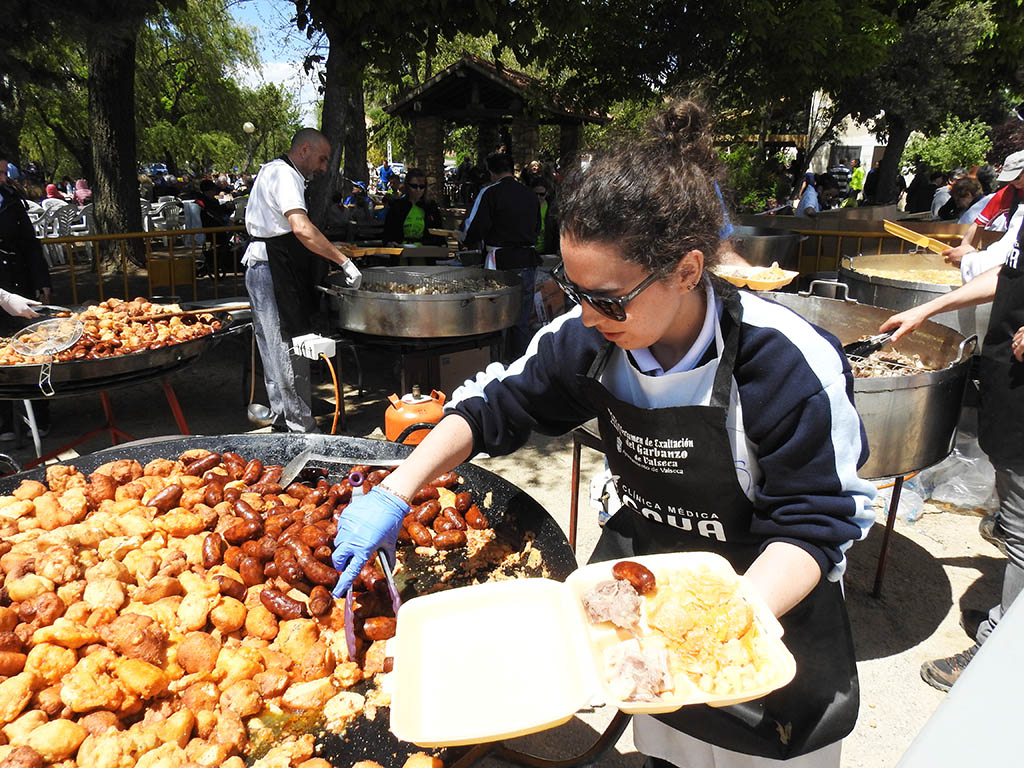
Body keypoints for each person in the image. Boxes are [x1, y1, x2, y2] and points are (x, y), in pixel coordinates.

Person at [331, 99, 875, 767]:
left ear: (687, 271)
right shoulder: (585, 339)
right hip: (647, 602)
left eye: (609, 299)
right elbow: (492, 409)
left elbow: (814, 526)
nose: (587, 317)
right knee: (669, 749)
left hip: (768, 623)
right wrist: (397, 487)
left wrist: (707, 633)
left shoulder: (788, 362)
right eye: (573, 289)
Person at [879, 205, 1024, 692]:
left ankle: (997, 653)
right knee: (1013, 495)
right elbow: (1009, 271)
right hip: (1013, 374)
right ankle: (1010, 622)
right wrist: (927, 309)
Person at [242, 128, 361, 433]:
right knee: (287, 346)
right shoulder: (284, 175)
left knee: (272, 348)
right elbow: (301, 228)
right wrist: (343, 261)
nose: (323, 167)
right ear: (304, 149)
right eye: (322, 159)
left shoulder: (272, 170)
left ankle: (283, 420)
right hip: (273, 270)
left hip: (264, 267)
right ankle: (301, 429)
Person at [461, 152, 541, 357]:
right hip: (527, 260)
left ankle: (497, 363)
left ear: (491, 172)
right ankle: (520, 365)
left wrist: (465, 241)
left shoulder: (490, 192)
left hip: (502, 262)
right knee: (521, 319)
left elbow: (476, 226)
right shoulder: (530, 194)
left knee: (498, 319)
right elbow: (537, 227)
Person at [0, 157, 52, 438]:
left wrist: (41, 280)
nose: (3, 177)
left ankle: (39, 417)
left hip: (18, 282)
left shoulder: (11, 200)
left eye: (3, 172)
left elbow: (30, 243)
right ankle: (6, 422)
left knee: (32, 349)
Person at [944, 150, 1024, 264]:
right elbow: (978, 225)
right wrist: (964, 249)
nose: (1013, 183)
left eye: (1017, 178)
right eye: (1009, 179)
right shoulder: (1006, 194)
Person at [382, 169, 445, 246]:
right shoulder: (398, 206)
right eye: (414, 186)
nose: (418, 190)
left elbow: (439, 231)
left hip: (425, 251)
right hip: (401, 251)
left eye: (422, 187)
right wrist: (390, 242)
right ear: (407, 186)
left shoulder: (430, 207)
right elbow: (388, 231)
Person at [534, 180, 559, 255]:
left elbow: (557, 229)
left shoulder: (553, 208)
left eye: (542, 194)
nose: (538, 197)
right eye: (535, 194)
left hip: (548, 248)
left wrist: (558, 247)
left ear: (547, 193)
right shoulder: (526, 207)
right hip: (531, 249)